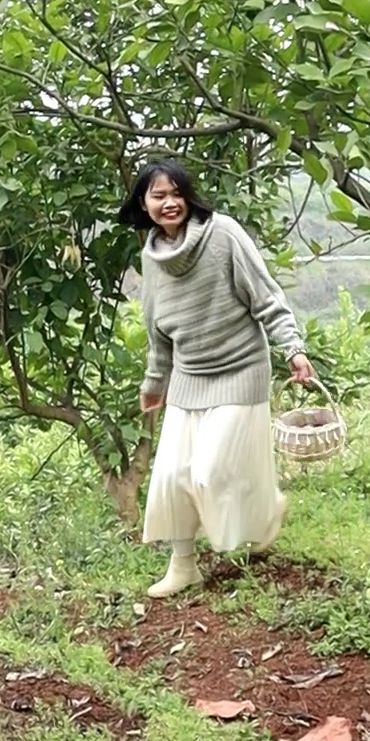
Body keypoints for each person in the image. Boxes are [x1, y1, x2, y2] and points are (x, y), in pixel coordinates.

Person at [118, 159, 315, 599]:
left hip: (240, 366)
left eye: (176, 193)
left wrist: (294, 349)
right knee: (172, 475)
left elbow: (266, 297)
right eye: (158, 195)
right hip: (189, 375)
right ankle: (183, 565)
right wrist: (154, 382)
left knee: (209, 470)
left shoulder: (222, 233)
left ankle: (263, 510)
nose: (169, 203)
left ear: (188, 196)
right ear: (143, 204)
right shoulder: (152, 257)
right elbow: (157, 330)